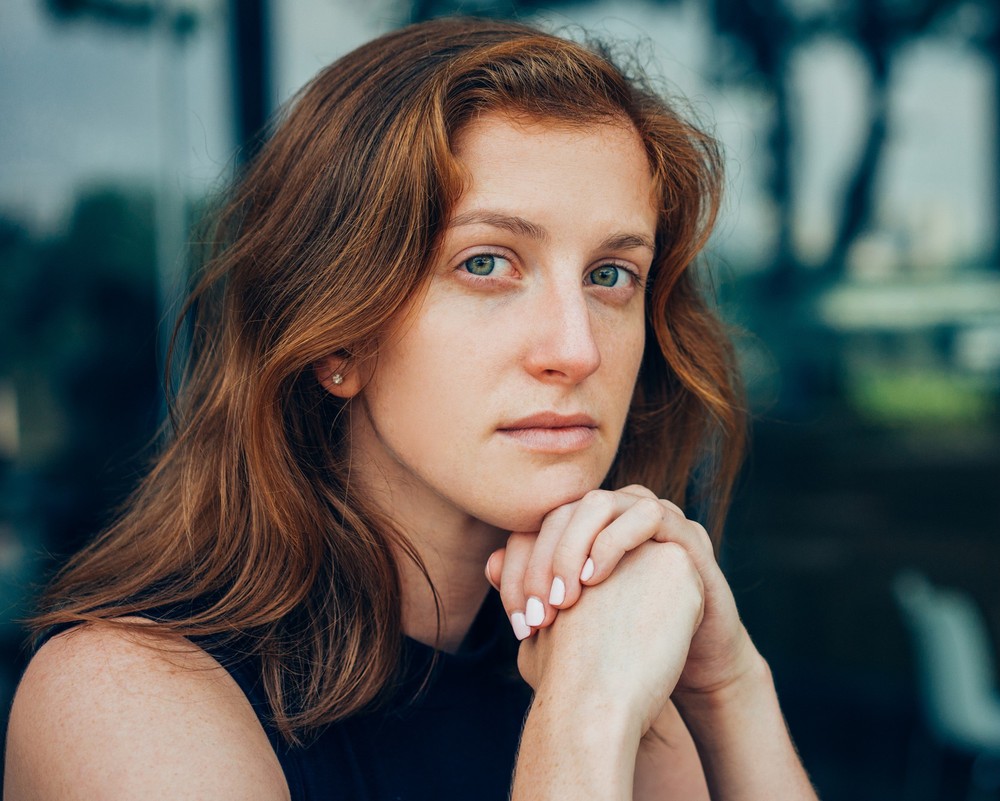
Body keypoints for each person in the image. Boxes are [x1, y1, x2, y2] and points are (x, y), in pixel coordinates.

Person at [5, 16, 817, 800]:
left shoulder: (606, 657)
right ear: (337, 340)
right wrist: (580, 724)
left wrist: (728, 685)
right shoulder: (121, 701)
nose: (577, 350)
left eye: (611, 275)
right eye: (488, 262)